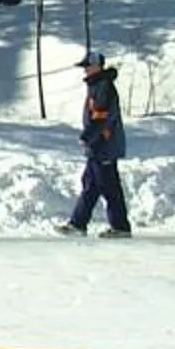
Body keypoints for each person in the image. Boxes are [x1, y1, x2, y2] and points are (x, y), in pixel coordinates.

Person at [55, 48, 133, 236]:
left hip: (104, 145)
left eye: (87, 66)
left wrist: (88, 136)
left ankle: (119, 227)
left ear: (97, 67)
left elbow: (102, 117)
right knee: (91, 184)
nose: (85, 70)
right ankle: (78, 224)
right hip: (98, 146)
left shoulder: (103, 86)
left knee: (109, 187)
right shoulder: (97, 85)